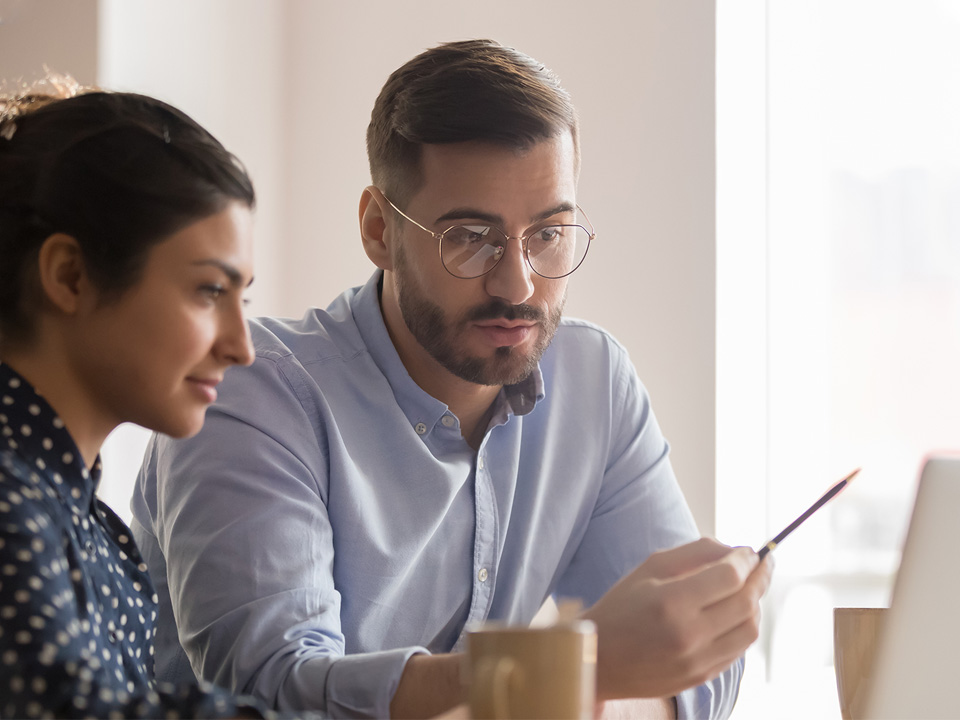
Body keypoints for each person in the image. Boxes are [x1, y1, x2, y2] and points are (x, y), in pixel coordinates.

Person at [131, 40, 772, 719]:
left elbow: (699, 676)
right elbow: (275, 691)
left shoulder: (594, 382)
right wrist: (570, 674)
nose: (517, 283)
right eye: (471, 236)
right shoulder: (253, 390)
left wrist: (601, 677)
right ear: (380, 230)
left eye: (549, 234)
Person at [0, 77, 275, 718]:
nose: (242, 346)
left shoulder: (90, 526)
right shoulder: (12, 507)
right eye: (209, 291)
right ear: (69, 275)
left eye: (245, 300)